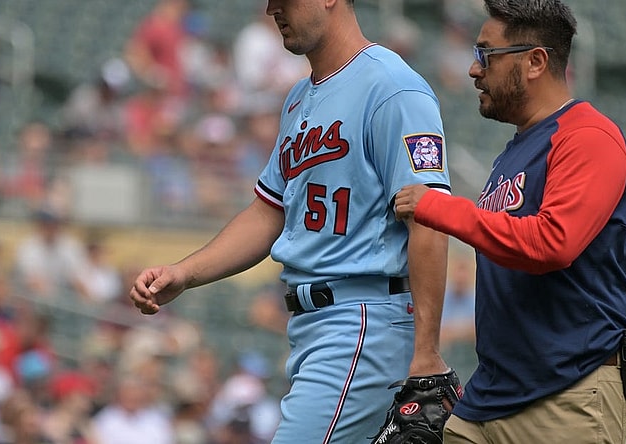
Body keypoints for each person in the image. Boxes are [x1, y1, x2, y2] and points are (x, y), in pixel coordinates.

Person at [130, 0, 452, 441]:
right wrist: (184, 273)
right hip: (314, 328)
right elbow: (269, 211)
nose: (272, 9)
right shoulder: (300, 98)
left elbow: (429, 218)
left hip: (363, 321)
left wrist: (427, 351)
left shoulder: (392, 87)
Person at [392, 1, 626, 442]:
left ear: (535, 61)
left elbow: (552, 244)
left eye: (486, 54)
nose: (474, 69)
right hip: (493, 394)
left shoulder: (589, 135)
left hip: (569, 393)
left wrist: (439, 207)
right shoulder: (514, 153)